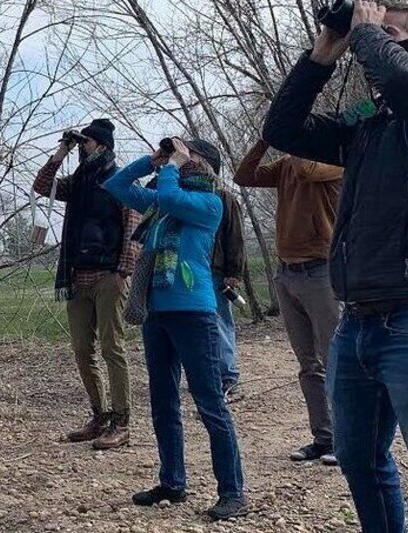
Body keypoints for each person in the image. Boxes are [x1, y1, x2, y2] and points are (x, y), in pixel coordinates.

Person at [263, 0, 408, 531]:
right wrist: (321, 56)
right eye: (371, 34)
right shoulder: (366, 124)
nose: (372, 43)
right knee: (360, 463)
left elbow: (397, 75)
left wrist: (366, 32)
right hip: (357, 321)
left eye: (388, 34)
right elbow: (283, 129)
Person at [104, 137, 247, 521]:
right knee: (163, 401)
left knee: (210, 404)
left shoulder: (209, 203)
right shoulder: (161, 206)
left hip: (194, 312)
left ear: (204, 166)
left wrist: (170, 168)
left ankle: (232, 491)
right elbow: (115, 186)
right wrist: (150, 163)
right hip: (157, 313)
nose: (179, 160)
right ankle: (172, 481)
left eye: (188, 156)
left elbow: (168, 197)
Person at [33, 118, 141, 450]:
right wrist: (61, 151)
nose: (83, 147)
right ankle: (99, 415)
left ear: (103, 145)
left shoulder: (119, 179)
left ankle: (121, 422)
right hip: (76, 276)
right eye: (80, 143)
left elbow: (133, 224)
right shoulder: (79, 181)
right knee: (83, 350)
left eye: (86, 143)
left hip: (109, 274)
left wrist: (123, 270)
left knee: (112, 348)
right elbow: (42, 185)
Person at [234, 139, 342, 463]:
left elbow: (309, 169)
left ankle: (350, 438)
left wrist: (293, 134)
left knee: (336, 358)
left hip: (322, 270)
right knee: (309, 364)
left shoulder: (334, 159)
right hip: (287, 272)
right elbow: (244, 175)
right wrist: (265, 140)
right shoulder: (285, 165)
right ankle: (324, 438)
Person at [210, 162, 247, 400]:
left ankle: (228, 376)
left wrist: (235, 272)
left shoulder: (224, 198)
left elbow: (236, 236)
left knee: (221, 322)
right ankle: (211, 374)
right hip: (198, 270)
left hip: (218, 270)